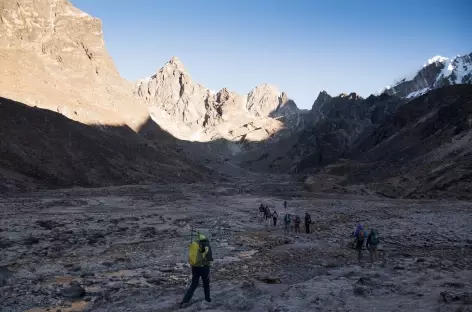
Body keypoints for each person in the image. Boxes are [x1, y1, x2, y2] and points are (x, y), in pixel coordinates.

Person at [181, 233, 213, 308]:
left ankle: (185, 301)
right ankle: (207, 299)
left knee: (193, 285)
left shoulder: (194, 244)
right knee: (206, 284)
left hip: (194, 267)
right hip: (204, 268)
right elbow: (209, 258)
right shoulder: (206, 244)